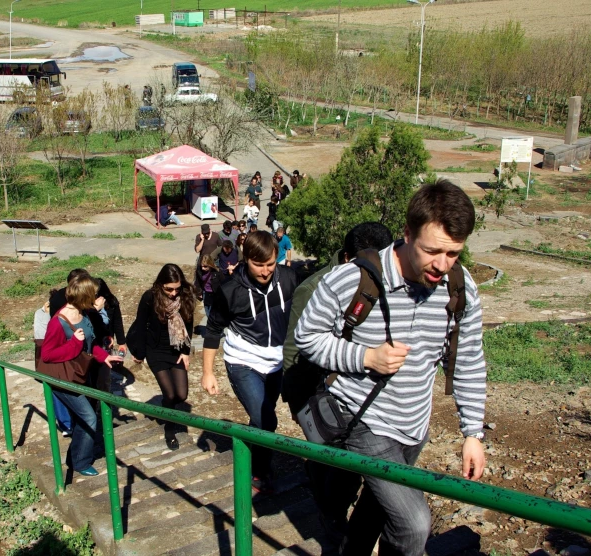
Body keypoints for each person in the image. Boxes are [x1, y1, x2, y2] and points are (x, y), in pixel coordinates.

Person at [295, 180, 487, 556]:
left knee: (376, 510)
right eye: (433, 251)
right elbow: (307, 336)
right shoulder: (354, 279)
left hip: (414, 426)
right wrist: (367, 358)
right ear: (406, 234)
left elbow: (467, 361)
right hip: (364, 420)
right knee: (413, 523)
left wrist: (473, 433)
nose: (442, 265)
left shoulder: (460, 289)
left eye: (454, 253)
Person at [282, 222, 393, 542]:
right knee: (328, 458)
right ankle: (329, 515)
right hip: (316, 393)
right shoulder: (314, 288)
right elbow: (294, 350)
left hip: (362, 395)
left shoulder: (383, 285)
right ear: (348, 258)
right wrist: (298, 403)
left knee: (350, 465)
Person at [201, 231, 298, 492]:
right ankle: (259, 471)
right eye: (259, 265)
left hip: (276, 362)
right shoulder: (230, 291)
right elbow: (212, 331)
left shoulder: (288, 280)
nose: (266, 271)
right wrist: (208, 372)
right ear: (246, 260)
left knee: (262, 419)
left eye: (270, 264)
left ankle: (250, 447)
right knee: (267, 419)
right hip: (243, 361)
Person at [40, 275, 123, 477]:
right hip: (63, 380)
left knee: (82, 417)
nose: (97, 298)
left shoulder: (83, 313)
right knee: (88, 417)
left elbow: (91, 343)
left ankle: (75, 457)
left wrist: (105, 358)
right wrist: (74, 343)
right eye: (93, 295)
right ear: (84, 296)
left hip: (78, 374)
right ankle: (81, 461)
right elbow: (47, 355)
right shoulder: (58, 322)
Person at [130, 264, 195, 451]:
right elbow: (141, 325)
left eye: (177, 288)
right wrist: (140, 353)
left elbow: (189, 323)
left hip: (176, 349)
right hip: (156, 350)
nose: (174, 293)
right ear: (160, 285)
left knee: (181, 395)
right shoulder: (150, 297)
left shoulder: (185, 296)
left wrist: (185, 352)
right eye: (169, 289)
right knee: (169, 393)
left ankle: (168, 410)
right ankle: (170, 428)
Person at [34, 298, 73, 437]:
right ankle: (66, 423)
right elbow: (40, 337)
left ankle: (69, 423)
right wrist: (45, 314)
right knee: (56, 390)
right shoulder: (43, 314)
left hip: (65, 359)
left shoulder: (68, 313)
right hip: (54, 361)